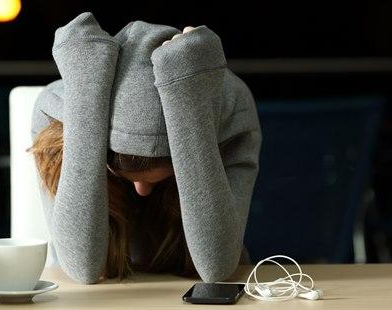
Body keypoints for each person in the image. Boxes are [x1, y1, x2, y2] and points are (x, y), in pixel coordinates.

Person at [30, 12, 261, 284]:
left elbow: (216, 267)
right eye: (127, 177)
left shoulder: (233, 114)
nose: (141, 192)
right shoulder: (57, 118)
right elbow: (83, 267)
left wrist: (189, 102)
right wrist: (87, 98)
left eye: (163, 176)